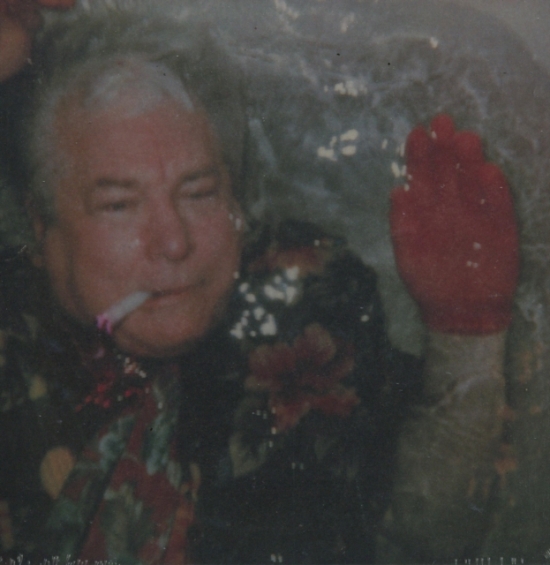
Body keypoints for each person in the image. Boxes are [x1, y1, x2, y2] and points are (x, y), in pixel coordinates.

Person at [0, 7, 518, 564]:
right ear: (40, 224)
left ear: (236, 198)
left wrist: (465, 335)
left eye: (199, 192)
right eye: (119, 205)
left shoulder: (310, 295)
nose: (173, 242)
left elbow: (418, 536)